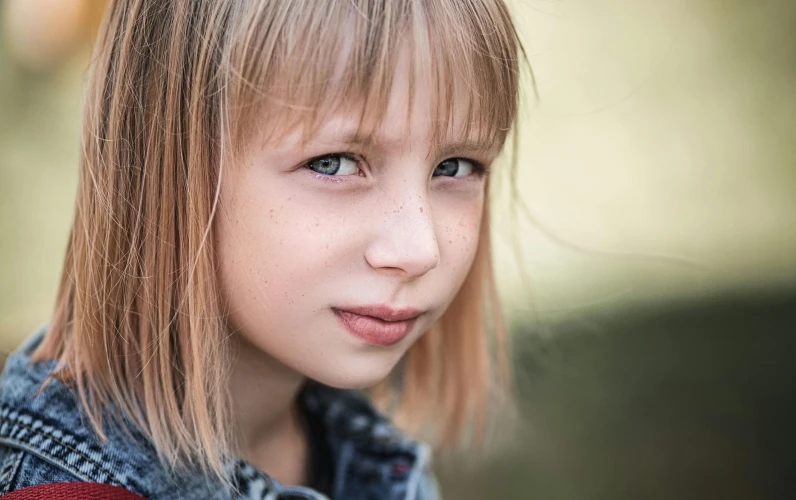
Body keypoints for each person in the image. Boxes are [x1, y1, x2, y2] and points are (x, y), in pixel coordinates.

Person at [0, 0, 523, 498]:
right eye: (334, 163)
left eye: (453, 167)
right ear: (168, 165)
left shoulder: (358, 447)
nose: (419, 248)